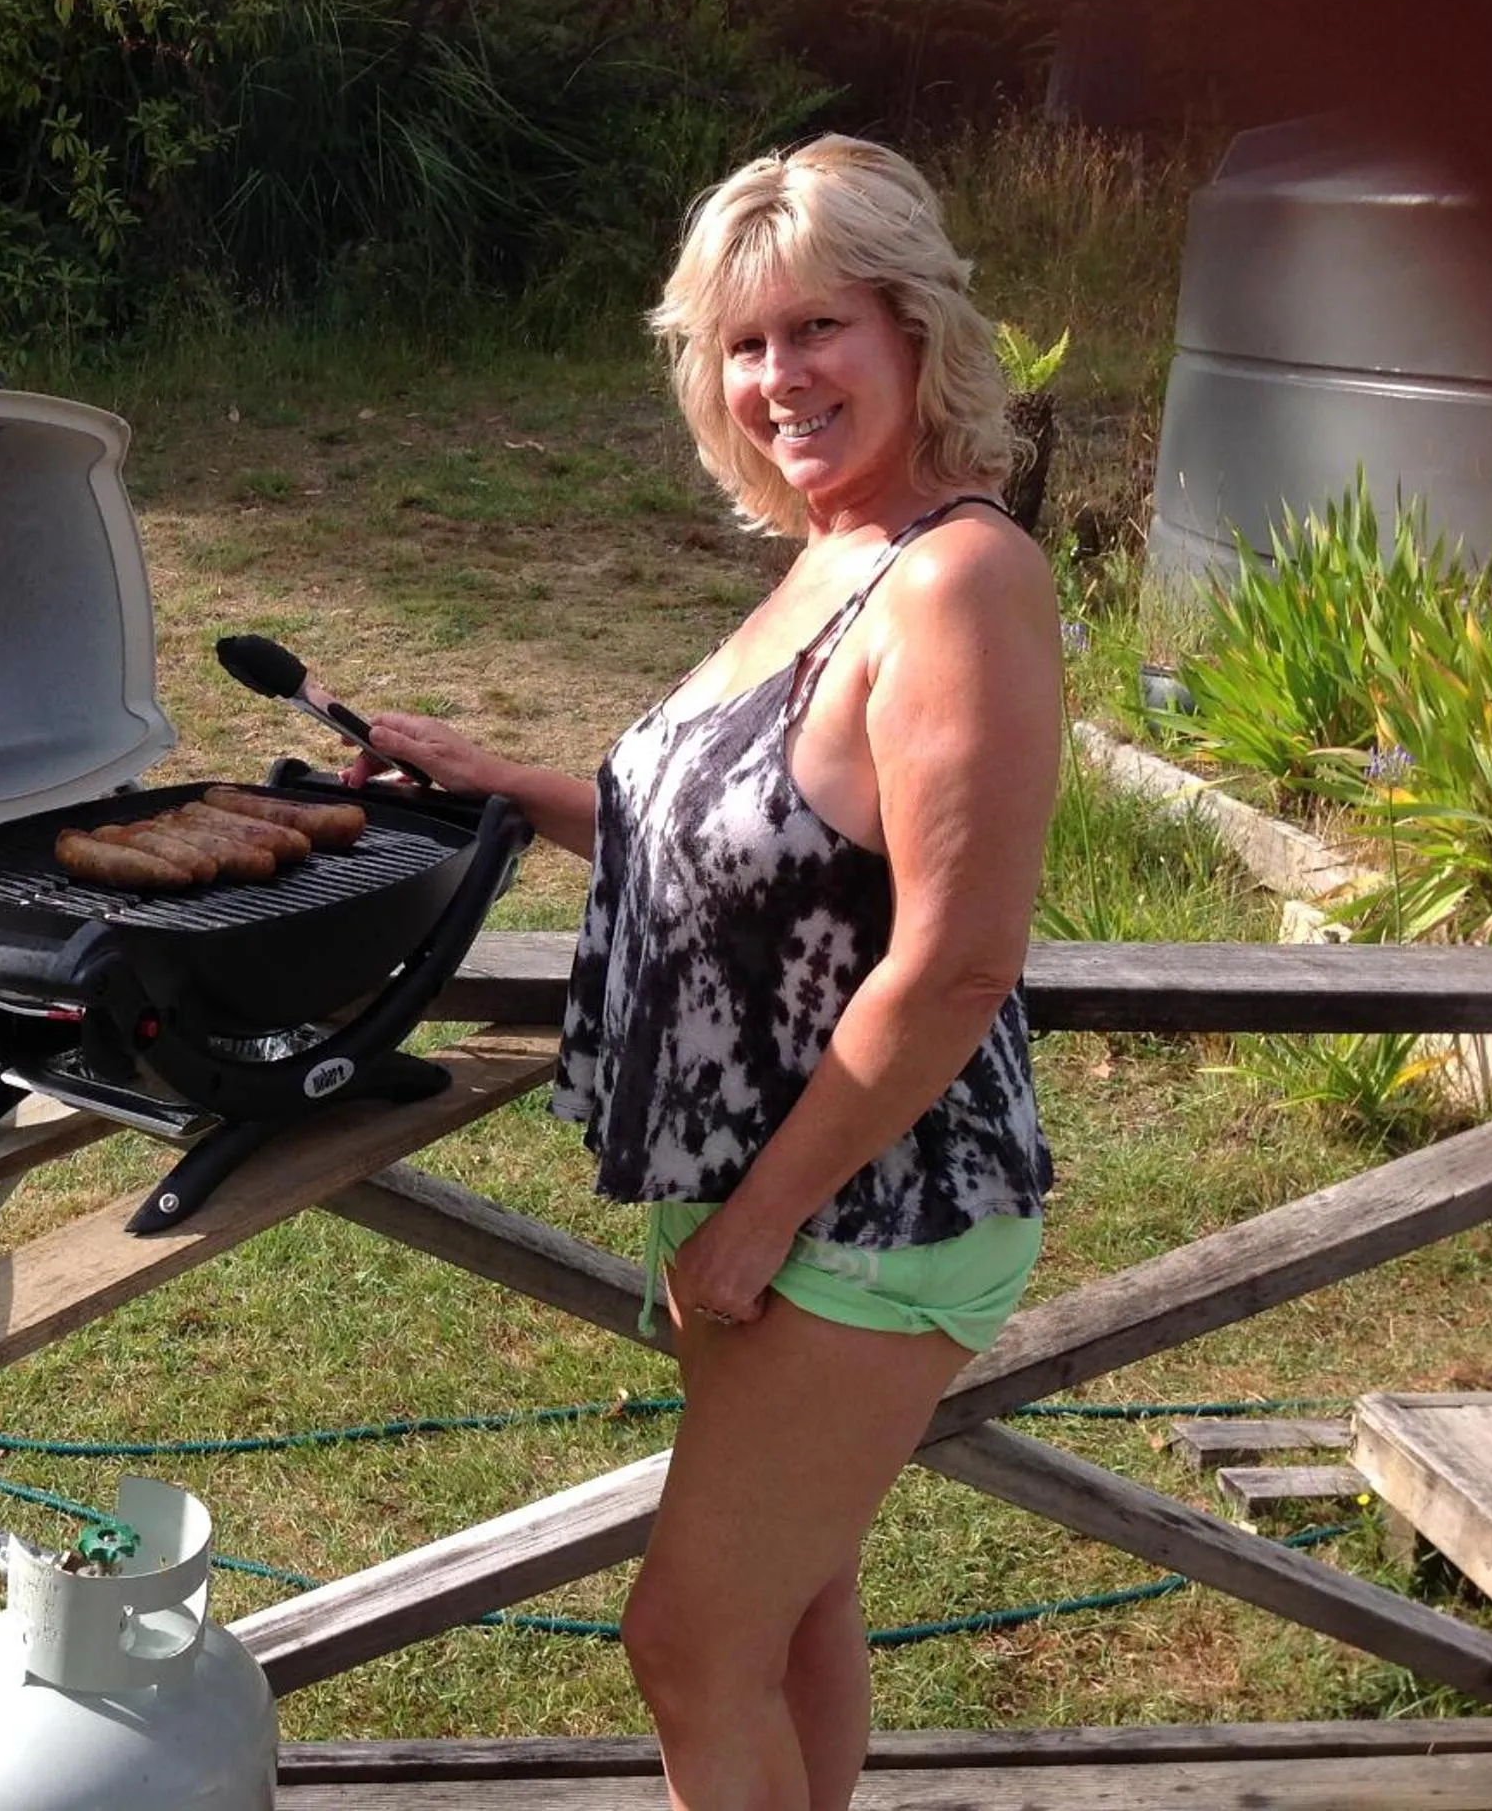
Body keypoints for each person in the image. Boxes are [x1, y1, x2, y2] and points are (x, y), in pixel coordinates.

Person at [342, 135, 1061, 1811]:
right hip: (771, 1190)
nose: (777, 377)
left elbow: (956, 966)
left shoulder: (957, 577)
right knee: (792, 1606)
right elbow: (744, 849)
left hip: (874, 1208)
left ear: (912, 334)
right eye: (742, 343)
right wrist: (497, 780)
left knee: (683, 1641)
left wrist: (756, 1226)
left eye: (817, 328)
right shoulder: (828, 554)